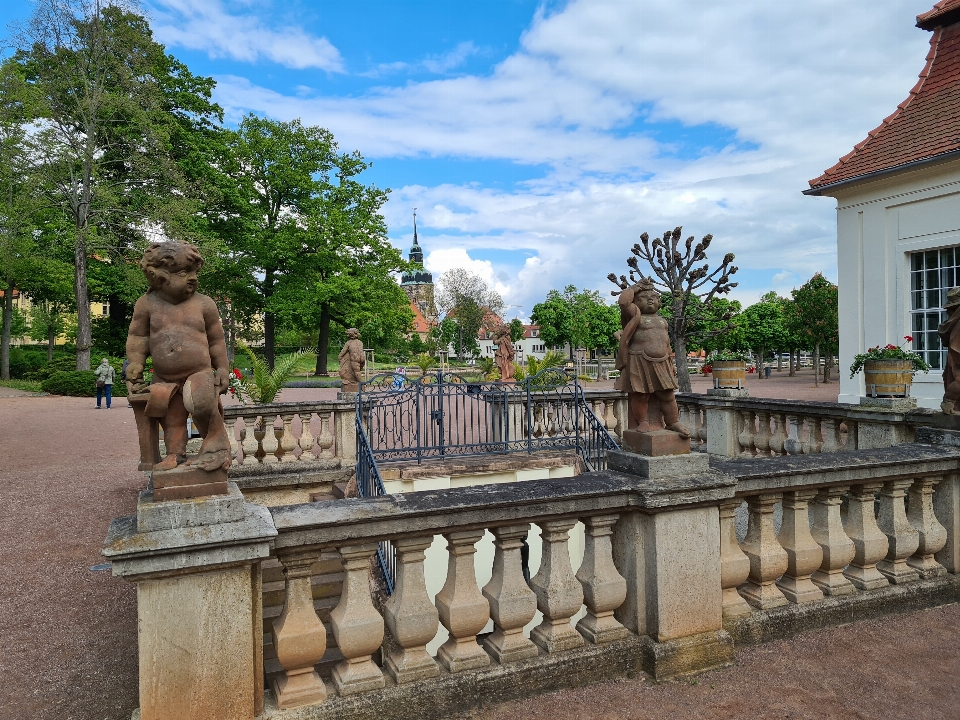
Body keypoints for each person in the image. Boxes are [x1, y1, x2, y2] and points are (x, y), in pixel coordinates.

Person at [125, 240, 231, 472]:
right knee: (171, 418)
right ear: (158, 276)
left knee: (202, 403)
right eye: (184, 272)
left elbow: (216, 340)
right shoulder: (147, 304)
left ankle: (215, 444)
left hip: (199, 372)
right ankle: (175, 453)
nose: (192, 277)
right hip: (164, 377)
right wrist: (135, 362)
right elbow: (138, 337)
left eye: (194, 272)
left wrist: (222, 368)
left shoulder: (204, 304)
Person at [614, 278, 689, 437]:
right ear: (636, 302)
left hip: (662, 361)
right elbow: (623, 302)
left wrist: (671, 362)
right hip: (639, 360)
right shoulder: (636, 315)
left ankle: (673, 422)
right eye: (643, 298)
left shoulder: (662, 321)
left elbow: (667, 342)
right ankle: (643, 421)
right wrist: (636, 287)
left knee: (667, 395)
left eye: (654, 298)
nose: (650, 300)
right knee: (641, 395)